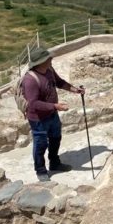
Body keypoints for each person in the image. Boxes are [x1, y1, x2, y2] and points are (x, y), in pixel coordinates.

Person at [22, 47, 84, 182]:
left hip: (52, 114)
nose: (51, 59)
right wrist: (55, 106)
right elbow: (33, 103)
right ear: (41, 62)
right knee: (40, 144)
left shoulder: (49, 70)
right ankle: (40, 170)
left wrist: (75, 90)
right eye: (48, 58)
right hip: (38, 119)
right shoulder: (30, 80)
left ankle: (54, 163)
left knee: (56, 138)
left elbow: (59, 82)